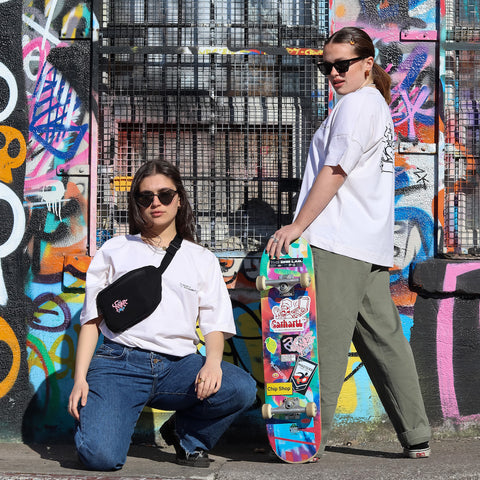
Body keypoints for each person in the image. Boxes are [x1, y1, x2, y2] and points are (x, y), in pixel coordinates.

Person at [266, 27, 431, 459]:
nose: (334, 73)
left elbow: (335, 170)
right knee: (386, 341)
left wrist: (297, 225)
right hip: (367, 243)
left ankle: (304, 441)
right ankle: (417, 434)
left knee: (323, 344)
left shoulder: (357, 106)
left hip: (338, 242)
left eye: (342, 65)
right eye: (327, 66)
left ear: (366, 64)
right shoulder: (374, 105)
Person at [68, 159, 257, 470]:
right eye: (146, 197)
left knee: (240, 388)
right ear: (138, 204)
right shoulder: (115, 250)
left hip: (179, 367)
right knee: (100, 457)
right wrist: (79, 379)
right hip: (120, 363)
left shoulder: (201, 258)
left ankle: (188, 437)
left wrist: (211, 363)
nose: (156, 203)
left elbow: (215, 321)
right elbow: (92, 320)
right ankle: (100, 425)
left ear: (179, 199)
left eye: (165, 195)